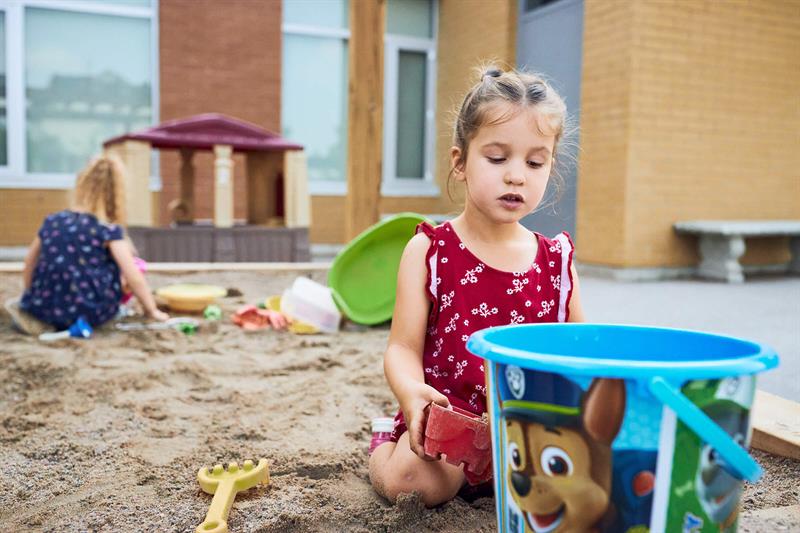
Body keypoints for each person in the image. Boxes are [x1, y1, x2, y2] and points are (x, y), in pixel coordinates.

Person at [368, 66, 585, 507]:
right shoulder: (431, 250)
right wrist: (411, 393)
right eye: (497, 157)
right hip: (450, 426)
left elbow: (580, 352)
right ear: (460, 162)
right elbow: (402, 348)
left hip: (529, 429)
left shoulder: (557, 260)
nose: (516, 176)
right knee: (411, 485)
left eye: (534, 161)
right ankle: (380, 450)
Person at [5, 155, 169, 335]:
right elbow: (133, 276)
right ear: (116, 194)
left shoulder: (53, 221)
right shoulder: (107, 230)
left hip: (43, 309)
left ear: (81, 185)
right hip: (92, 312)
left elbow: (29, 263)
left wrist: (32, 297)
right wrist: (152, 310)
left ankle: (39, 317)